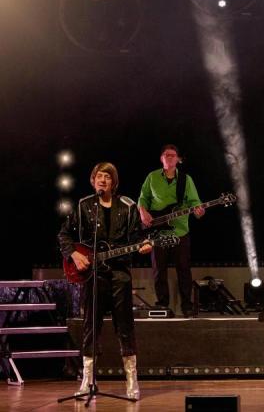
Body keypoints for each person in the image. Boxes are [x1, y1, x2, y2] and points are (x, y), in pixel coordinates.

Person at [57, 162, 151, 400]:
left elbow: (138, 237)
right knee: (91, 326)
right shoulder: (84, 205)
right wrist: (74, 254)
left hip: (120, 274)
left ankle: (132, 379)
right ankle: (87, 380)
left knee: (125, 327)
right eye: (99, 176)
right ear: (93, 180)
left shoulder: (128, 206)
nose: (102, 180)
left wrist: (144, 245)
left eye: (107, 177)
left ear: (113, 182)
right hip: (93, 275)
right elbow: (64, 234)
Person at [138, 144, 204, 317]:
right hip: (157, 233)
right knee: (158, 271)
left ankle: (187, 306)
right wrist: (143, 212)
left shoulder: (186, 179)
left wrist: (198, 211)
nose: (169, 157)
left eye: (173, 155)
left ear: (178, 159)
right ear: (161, 158)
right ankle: (162, 304)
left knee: (184, 269)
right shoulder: (152, 177)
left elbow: (195, 202)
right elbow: (142, 199)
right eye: (166, 155)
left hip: (180, 232)